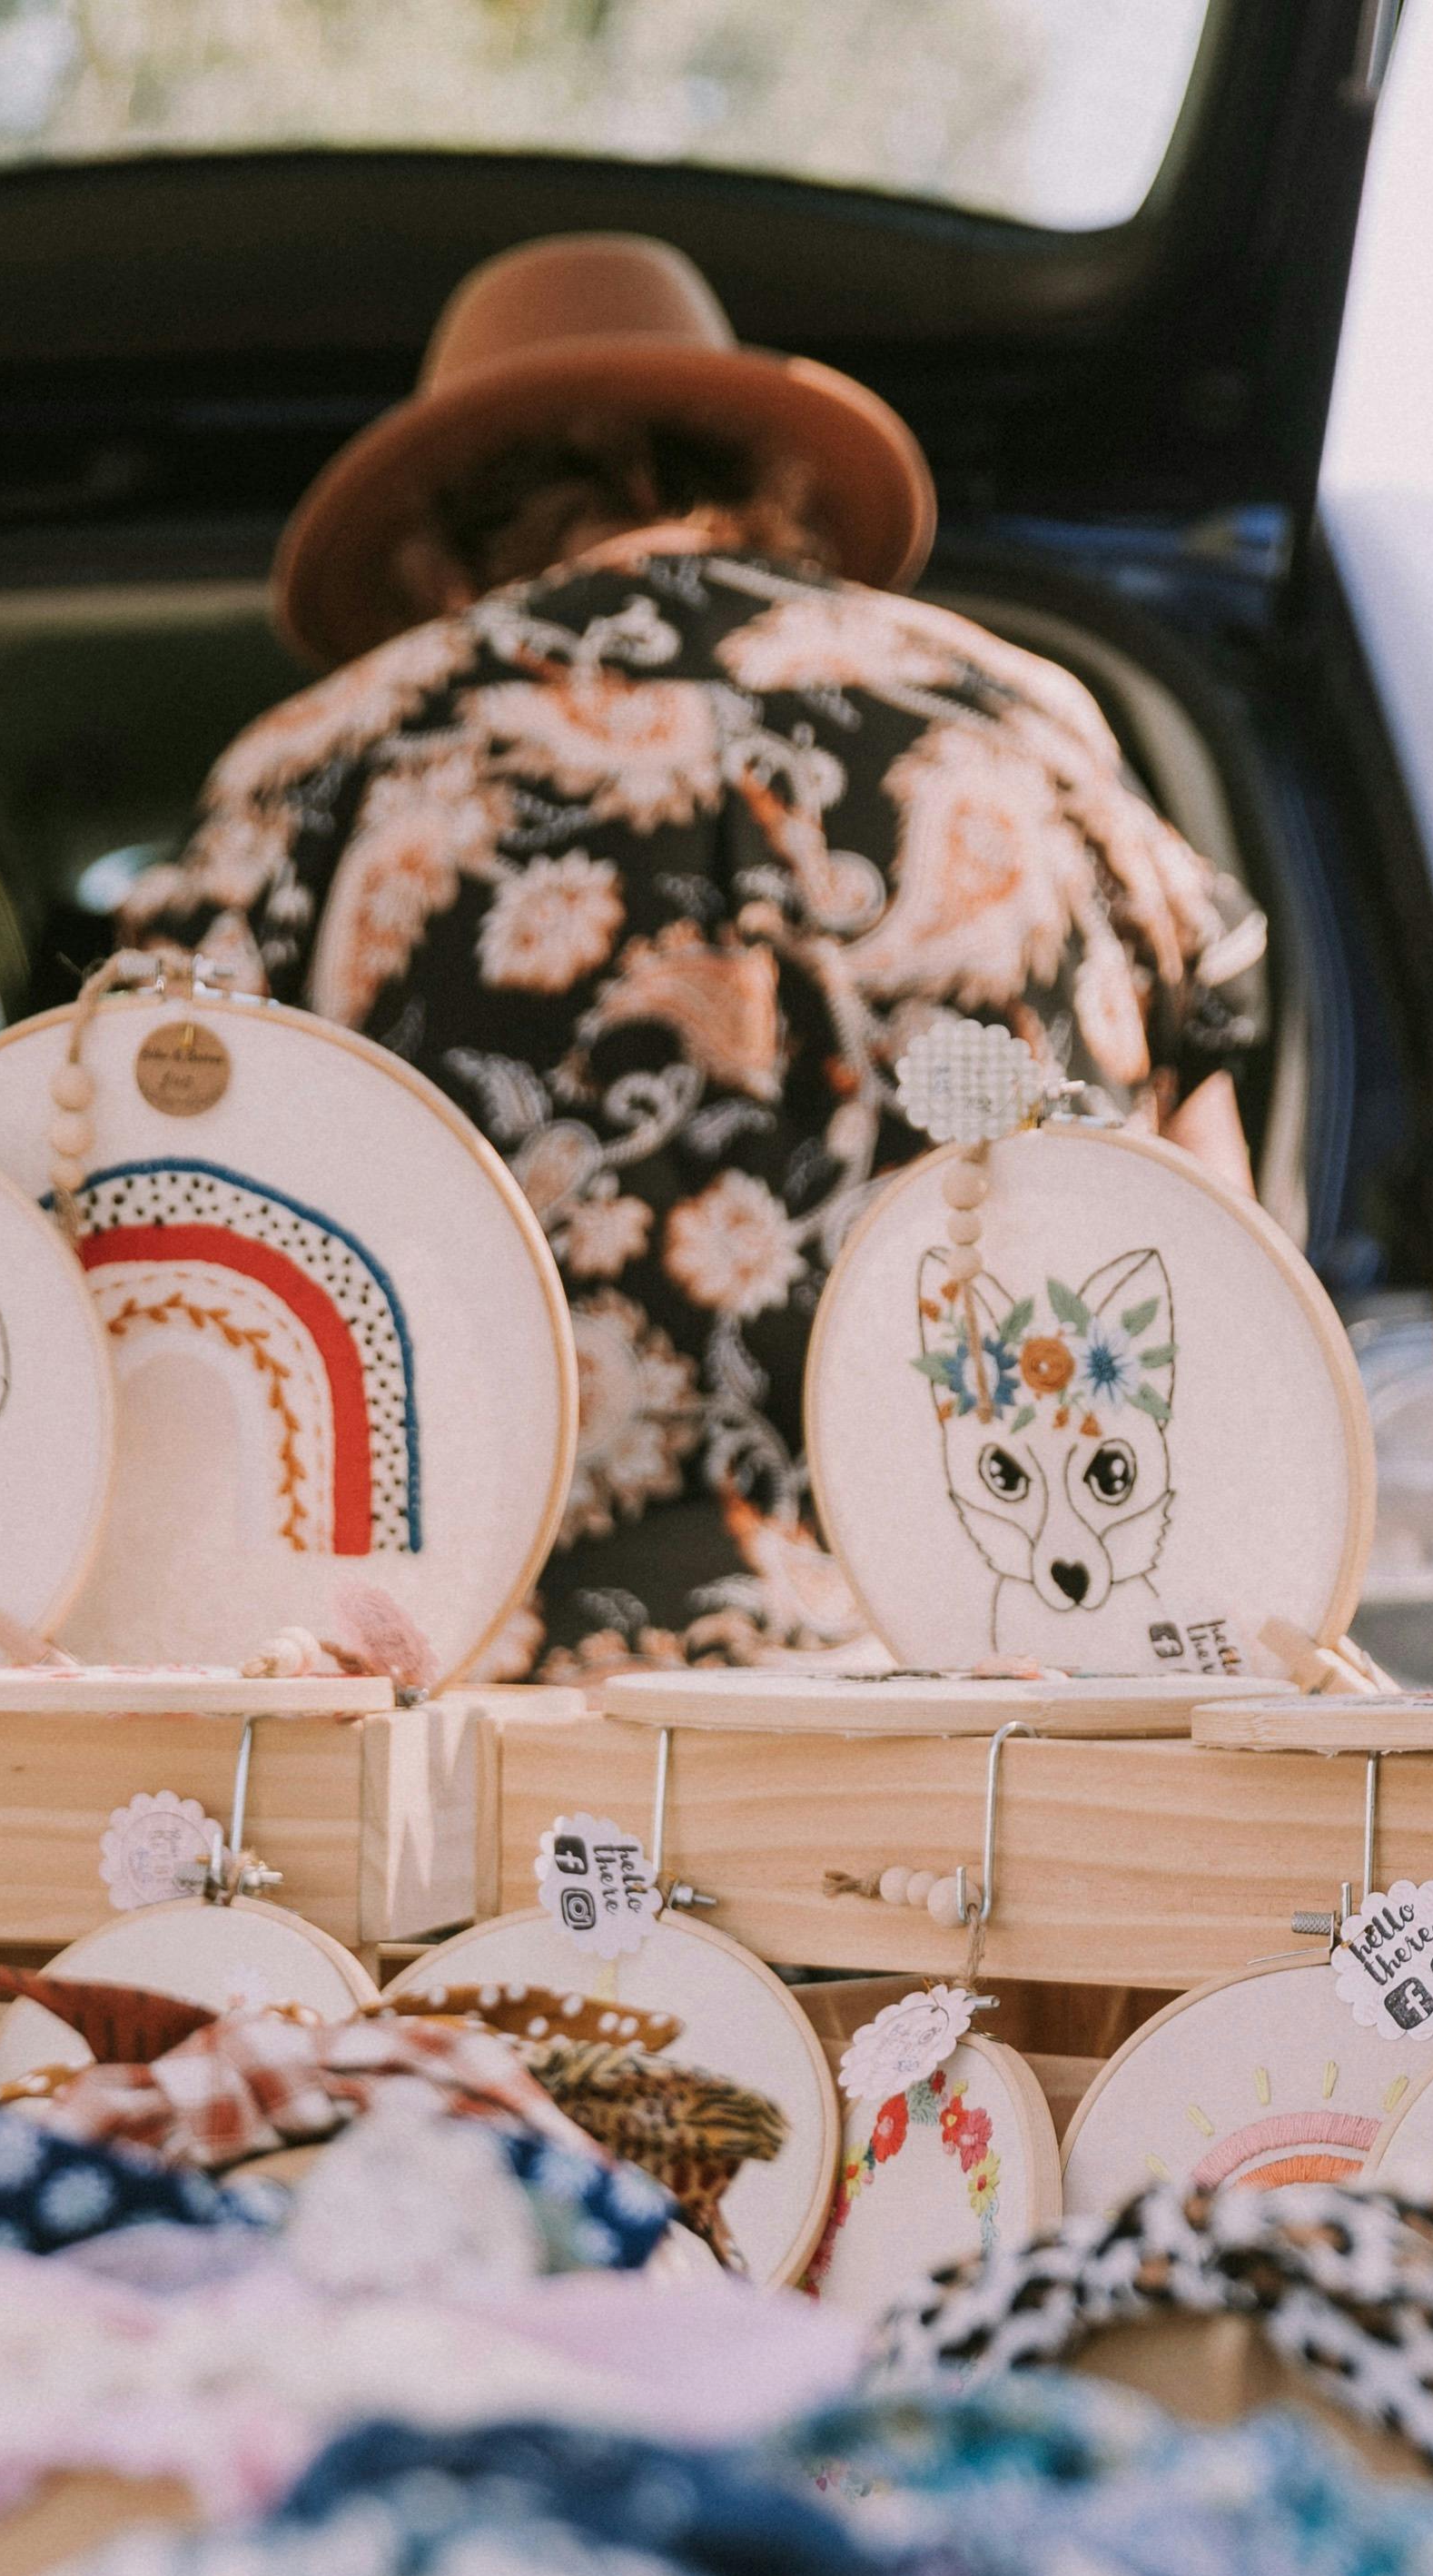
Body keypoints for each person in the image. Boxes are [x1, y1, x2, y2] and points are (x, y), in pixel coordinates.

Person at [127, 233, 1270, 1678]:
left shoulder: (314, 768)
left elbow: (161, 1274)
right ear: (766, 492)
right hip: (994, 1690)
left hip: (483, 1730)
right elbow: (1224, 1261)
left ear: (438, 549)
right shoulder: (1030, 726)